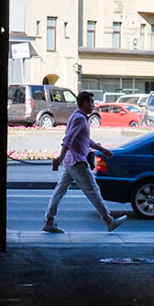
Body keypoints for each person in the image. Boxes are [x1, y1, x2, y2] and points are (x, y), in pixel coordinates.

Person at [44, 91, 125, 234]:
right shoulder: (80, 119)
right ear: (85, 103)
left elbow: (85, 139)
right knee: (93, 190)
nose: (94, 105)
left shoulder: (76, 116)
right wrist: (60, 157)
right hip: (77, 162)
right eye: (92, 102)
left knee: (60, 190)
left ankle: (49, 221)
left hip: (70, 161)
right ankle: (108, 220)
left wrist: (102, 149)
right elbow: (68, 139)